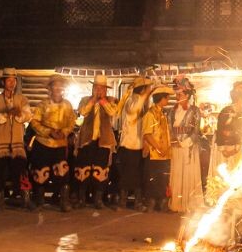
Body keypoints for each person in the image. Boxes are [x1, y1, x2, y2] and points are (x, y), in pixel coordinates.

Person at [29, 75, 77, 211]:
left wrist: (64, 132)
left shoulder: (67, 105)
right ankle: (39, 201)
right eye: (55, 86)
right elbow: (34, 122)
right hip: (43, 144)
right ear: (50, 89)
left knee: (62, 172)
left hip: (60, 145)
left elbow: (71, 122)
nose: (58, 88)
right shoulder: (42, 105)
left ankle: (63, 201)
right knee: (40, 172)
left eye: (60, 86)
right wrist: (49, 131)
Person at [0, 68, 33, 211]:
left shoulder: (22, 99)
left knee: (20, 170)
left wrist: (19, 113)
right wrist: (7, 114)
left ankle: (24, 198)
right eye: (9, 80)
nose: (12, 83)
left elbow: (28, 116)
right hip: (1, 142)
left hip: (17, 143)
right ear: (3, 82)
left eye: (14, 80)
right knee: (0, 171)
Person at [74, 75, 119, 209]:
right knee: (84, 170)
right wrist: (94, 99)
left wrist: (103, 101)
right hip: (87, 141)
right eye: (97, 88)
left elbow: (112, 112)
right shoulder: (85, 100)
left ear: (106, 90)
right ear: (93, 88)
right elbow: (82, 112)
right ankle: (82, 198)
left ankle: (98, 199)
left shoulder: (111, 100)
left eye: (102, 88)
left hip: (103, 141)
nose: (99, 91)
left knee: (101, 170)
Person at [169, 77, 204, 213]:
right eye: (177, 94)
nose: (178, 97)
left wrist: (184, 143)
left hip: (188, 147)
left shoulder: (194, 111)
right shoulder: (172, 111)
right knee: (177, 173)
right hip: (175, 147)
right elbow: (169, 128)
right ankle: (177, 203)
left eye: (181, 94)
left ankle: (188, 203)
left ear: (188, 96)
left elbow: (196, 131)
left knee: (188, 173)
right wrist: (173, 141)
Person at [117, 77, 152, 210]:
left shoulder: (142, 101)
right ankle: (123, 201)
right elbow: (132, 110)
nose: (149, 90)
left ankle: (136, 201)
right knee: (127, 174)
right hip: (129, 143)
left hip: (138, 143)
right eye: (147, 88)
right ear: (143, 89)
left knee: (138, 174)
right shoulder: (133, 100)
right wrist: (145, 96)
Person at [210, 80, 242, 182]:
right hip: (224, 150)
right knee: (223, 177)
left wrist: (239, 148)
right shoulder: (226, 111)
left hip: (239, 150)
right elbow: (221, 132)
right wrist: (226, 150)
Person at [142, 85, 175, 212]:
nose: (167, 101)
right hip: (154, 153)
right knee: (153, 178)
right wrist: (158, 147)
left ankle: (161, 203)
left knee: (162, 178)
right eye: (167, 98)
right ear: (161, 99)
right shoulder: (150, 114)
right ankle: (151, 203)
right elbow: (147, 134)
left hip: (164, 153)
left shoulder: (162, 113)